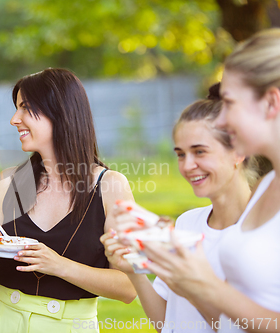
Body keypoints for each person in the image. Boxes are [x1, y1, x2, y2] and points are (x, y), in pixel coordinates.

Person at [110, 28, 280, 333]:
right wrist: (137, 265)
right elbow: (174, 321)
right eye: (179, 154)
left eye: (230, 103)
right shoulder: (267, 189)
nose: (224, 119)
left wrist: (199, 285)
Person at [0, 68, 136, 332]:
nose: (14, 119)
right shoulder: (8, 181)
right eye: (16, 108)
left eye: (25, 108)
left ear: (60, 113)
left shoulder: (110, 186)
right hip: (0, 322)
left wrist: (59, 266)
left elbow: (129, 288)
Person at [100, 84, 260, 332]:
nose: (187, 165)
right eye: (181, 154)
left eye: (199, 152)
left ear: (238, 152)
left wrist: (190, 285)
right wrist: (133, 271)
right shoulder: (187, 224)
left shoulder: (264, 233)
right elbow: (167, 322)